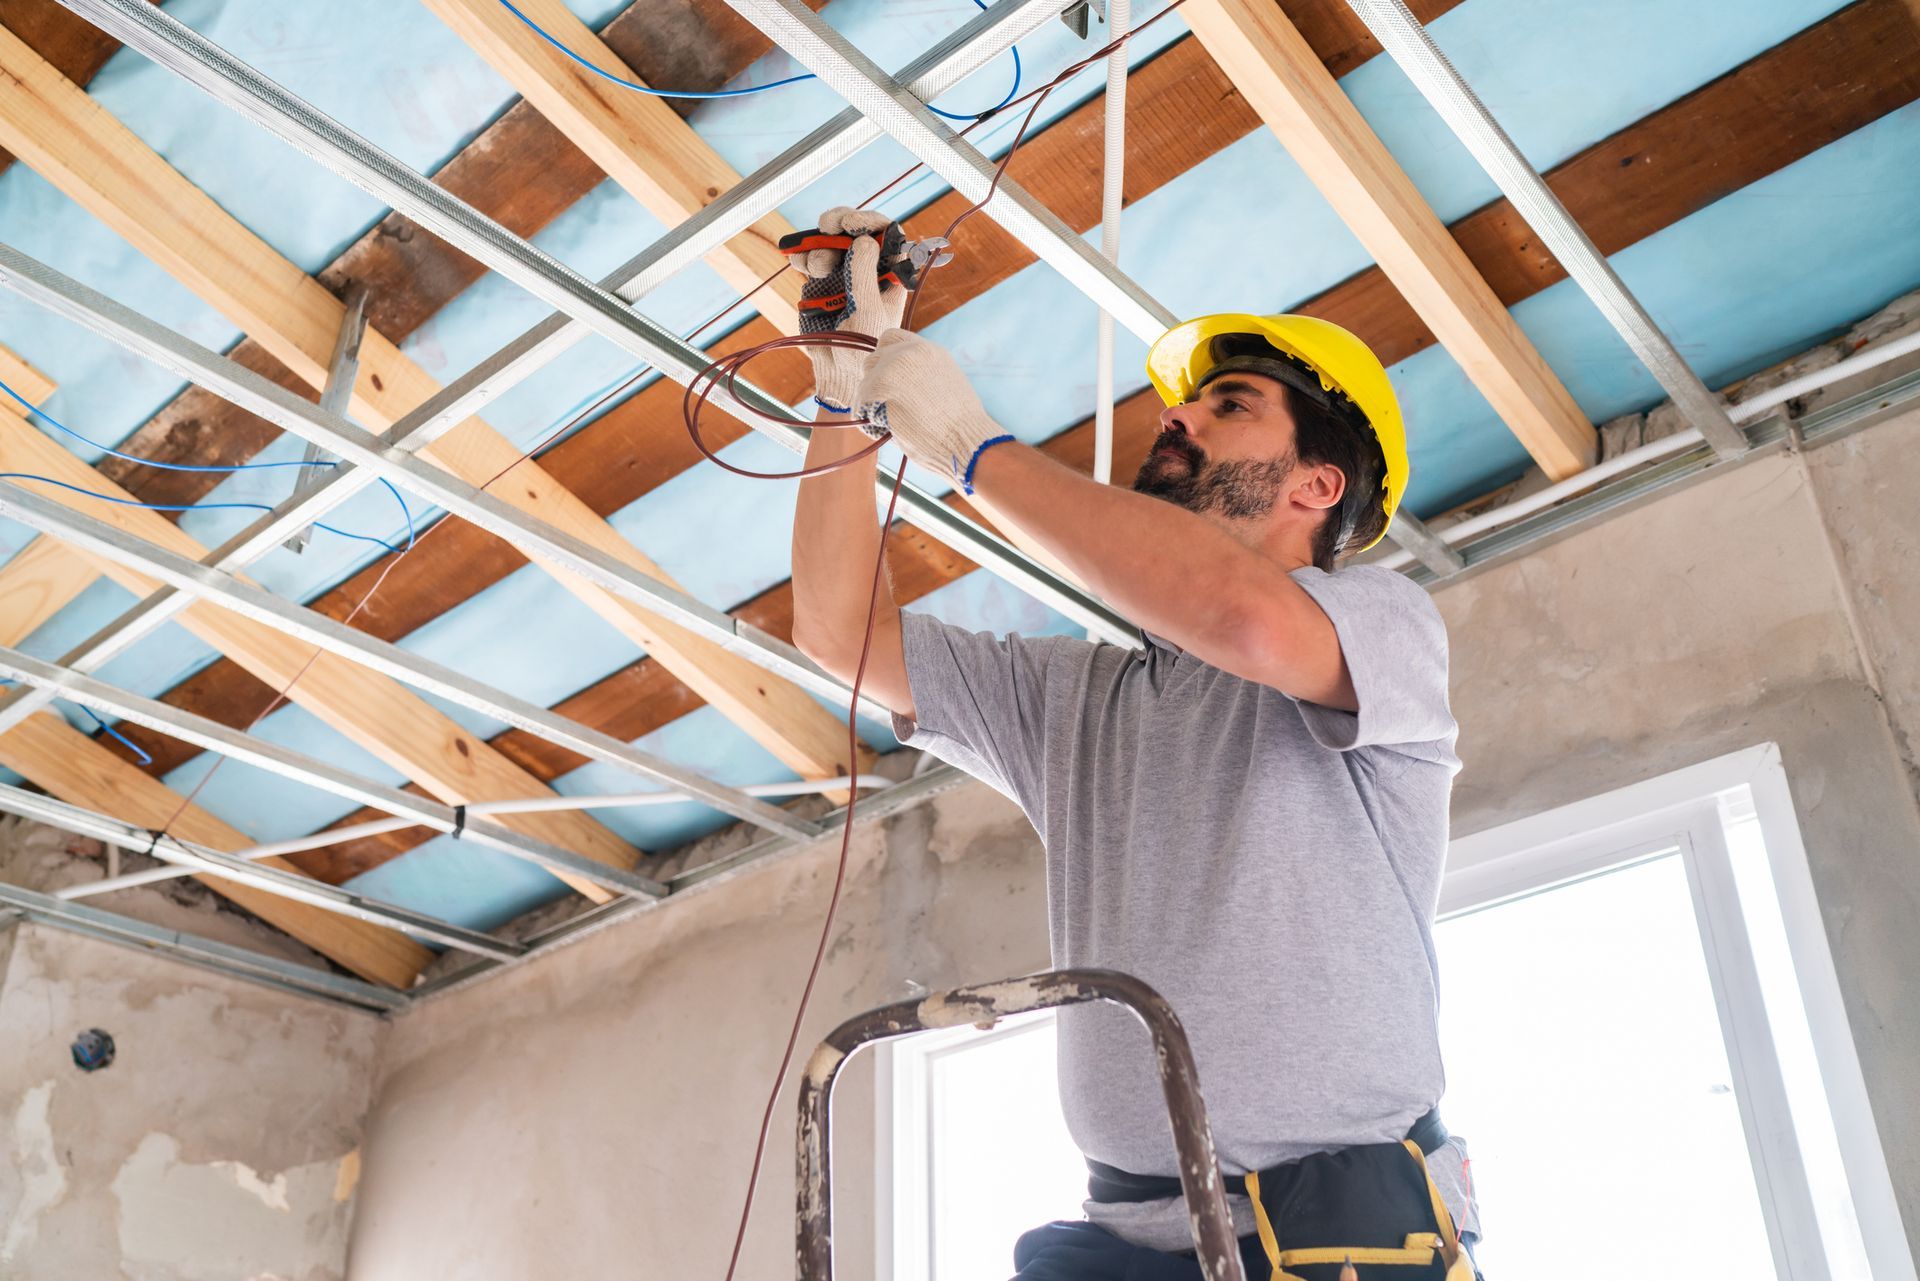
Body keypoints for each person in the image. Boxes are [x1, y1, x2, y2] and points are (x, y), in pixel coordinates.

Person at [789, 208, 1481, 1280]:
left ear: (1317, 486)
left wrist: (975, 450)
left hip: (1335, 1238)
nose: (1180, 418)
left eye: (1230, 404)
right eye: (1186, 400)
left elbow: (1244, 618)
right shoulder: (1080, 702)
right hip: (1123, 1238)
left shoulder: (1384, 625)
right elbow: (841, 635)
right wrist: (841, 397)